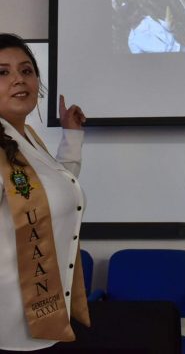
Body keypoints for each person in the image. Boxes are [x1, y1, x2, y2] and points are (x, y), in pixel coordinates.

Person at [0, 34, 90, 352]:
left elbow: (56, 190)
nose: (18, 79)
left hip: (39, 319)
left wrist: (72, 136)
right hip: (7, 326)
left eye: (26, 70)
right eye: (3, 72)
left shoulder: (25, 138)